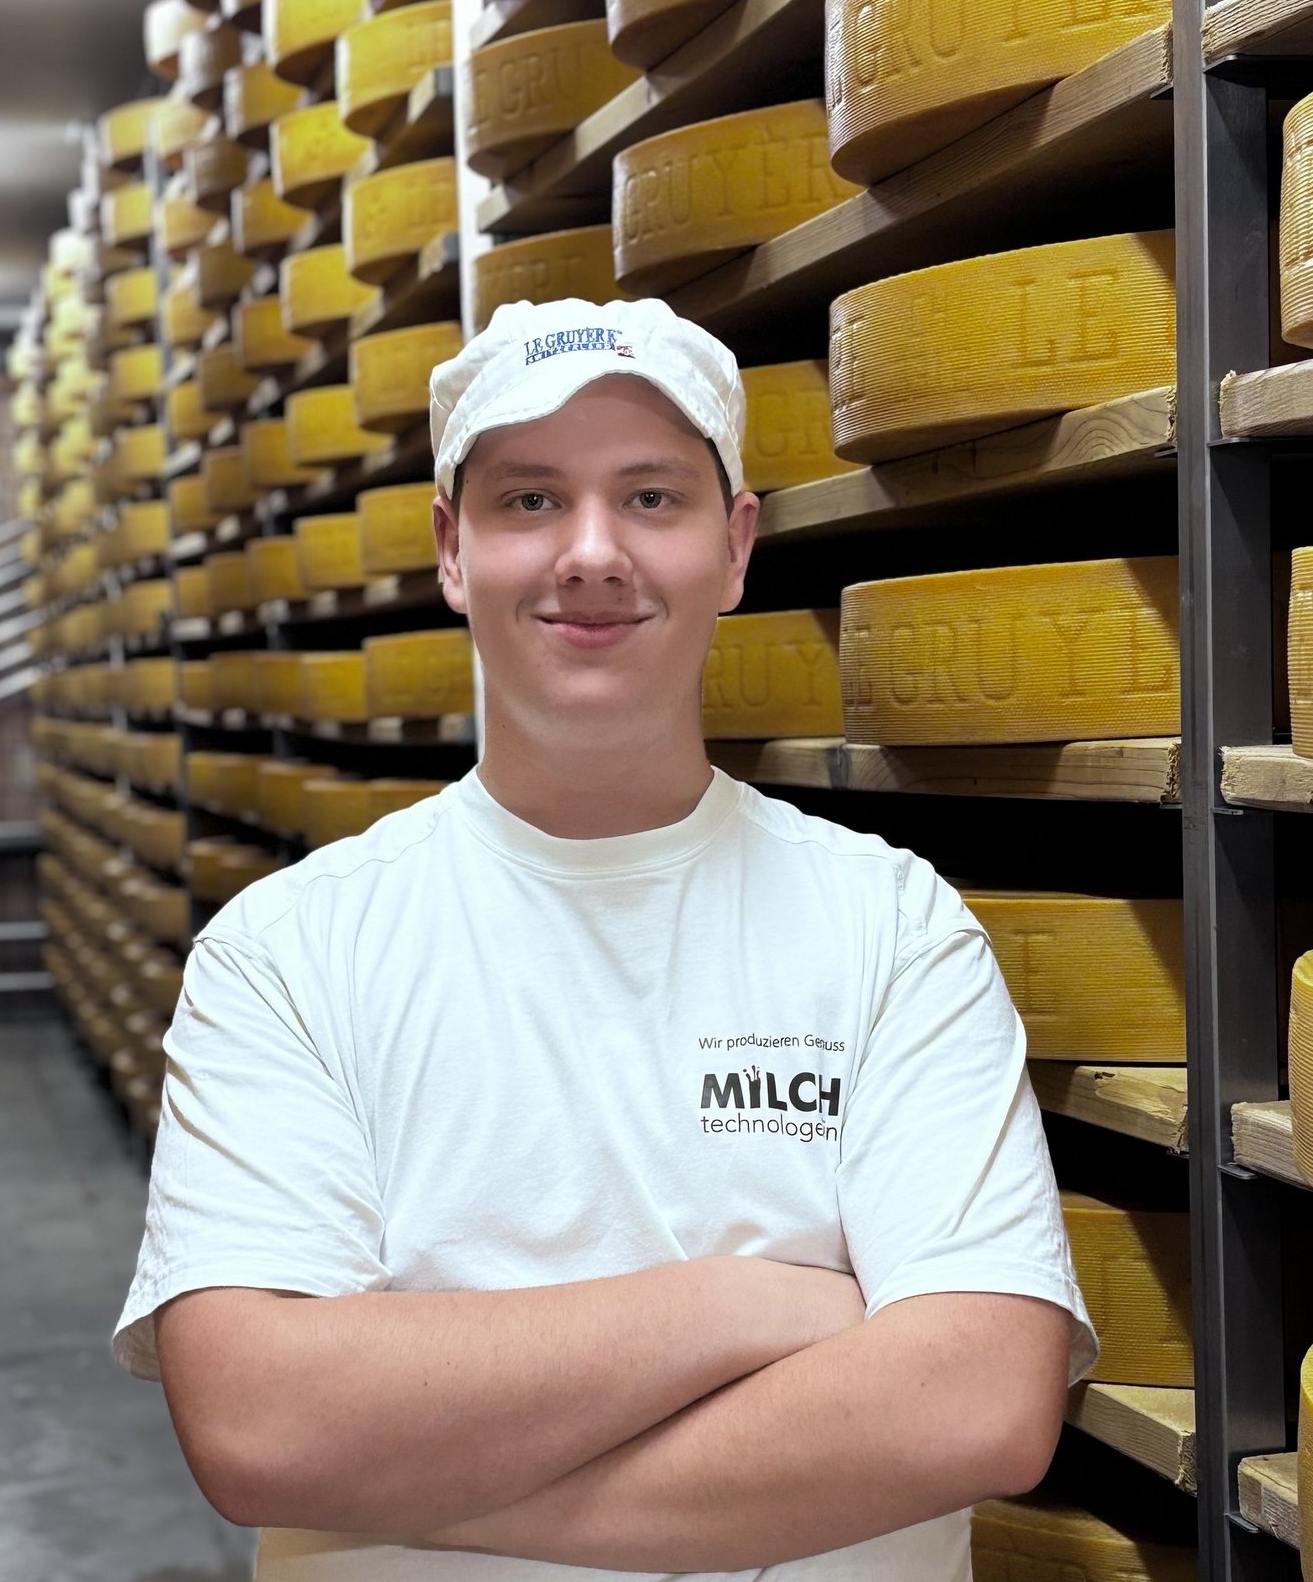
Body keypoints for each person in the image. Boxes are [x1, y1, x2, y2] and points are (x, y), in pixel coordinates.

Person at [113, 296, 1098, 1581]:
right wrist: (740, 1303)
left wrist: (400, 1481)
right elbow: (259, 1424)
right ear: (451, 548)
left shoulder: (891, 925)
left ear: (733, 547)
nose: (590, 554)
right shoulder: (287, 951)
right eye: (529, 500)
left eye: (650, 498)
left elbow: (974, 1404)